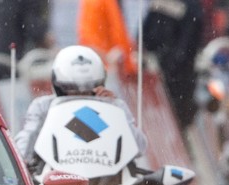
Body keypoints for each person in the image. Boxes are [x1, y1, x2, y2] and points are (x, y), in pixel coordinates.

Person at [14, 44, 147, 171]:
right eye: (72, 90)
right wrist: (23, 163)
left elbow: (139, 147)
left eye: (87, 90)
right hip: (57, 178)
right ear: (59, 87)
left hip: (108, 179)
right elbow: (25, 143)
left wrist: (114, 112)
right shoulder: (43, 106)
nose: (80, 96)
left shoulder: (115, 105)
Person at [142, 0, 205, 130]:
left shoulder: (191, 7)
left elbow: (186, 46)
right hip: (161, 72)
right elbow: (146, 33)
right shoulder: (160, 3)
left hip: (177, 77)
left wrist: (167, 66)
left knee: (178, 119)